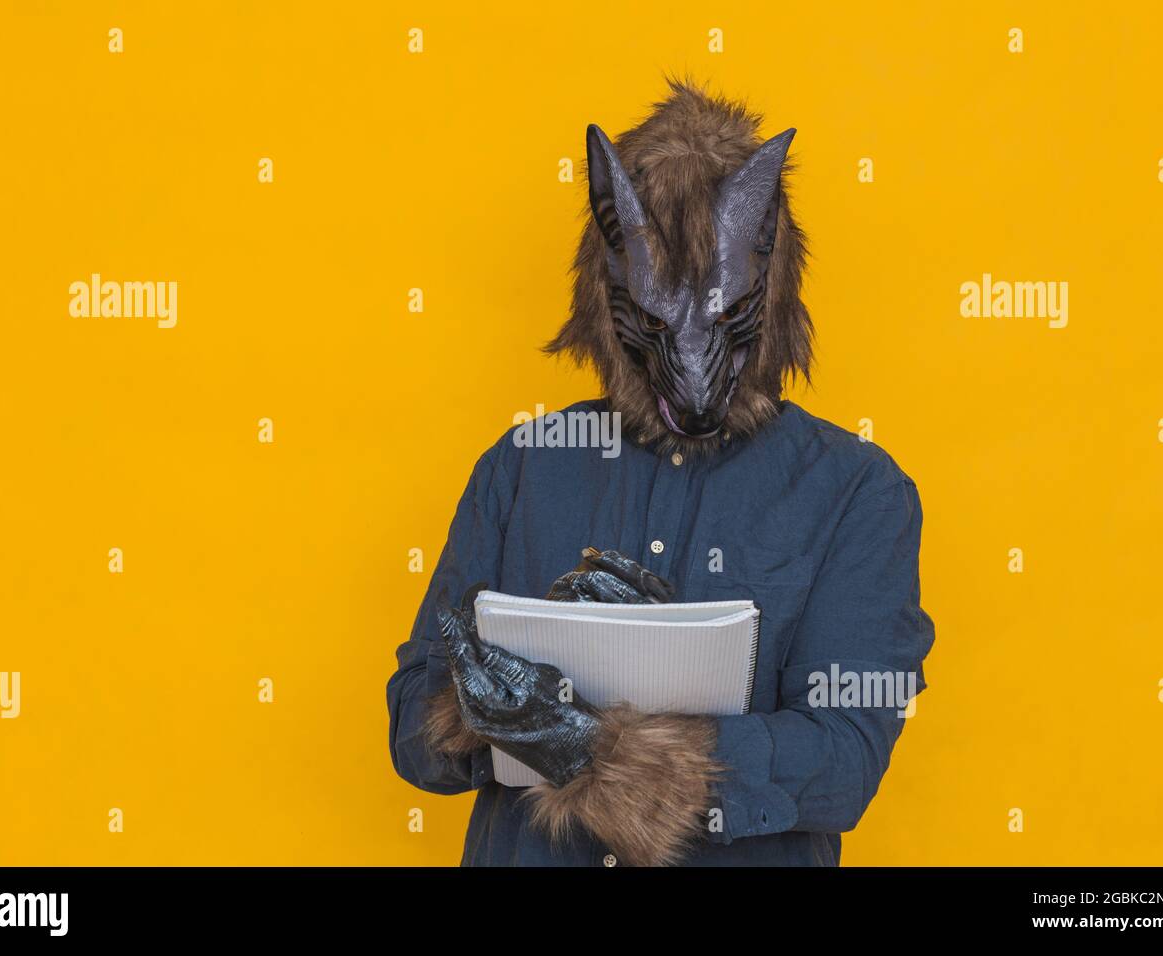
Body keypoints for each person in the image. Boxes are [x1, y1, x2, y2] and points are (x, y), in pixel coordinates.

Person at [386, 82, 935, 866]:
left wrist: (590, 749)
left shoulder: (857, 494)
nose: (692, 369)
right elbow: (413, 726)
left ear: (769, 293)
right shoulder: (520, 470)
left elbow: (843, 761)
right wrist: (476, 710)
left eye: (719, 315)